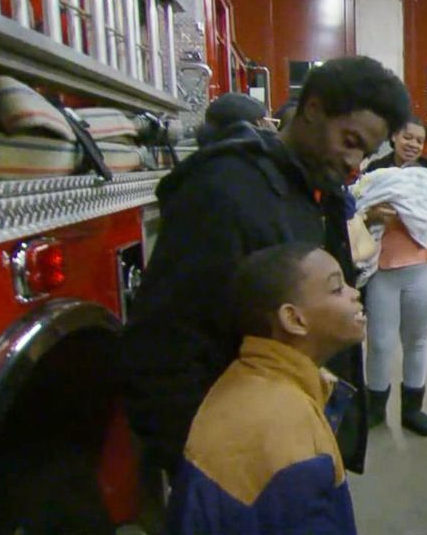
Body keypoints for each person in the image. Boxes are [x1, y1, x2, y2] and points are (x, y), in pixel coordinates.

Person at [120, 55, 411, 477]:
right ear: (313, 109)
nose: (354, 163)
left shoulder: (314, 190)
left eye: (364, 152)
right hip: (237, 453)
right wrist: (199, 468)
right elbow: (165, 343)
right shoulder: (226, 190)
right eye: (349, 140)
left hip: (286, 433)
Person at [167, 244, 365, 534]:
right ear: (294, 320)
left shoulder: (248, 380)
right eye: (336, 289)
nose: (355, 293)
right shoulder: (291, 439)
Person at [361, 117, 427, 436]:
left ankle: (412, 410)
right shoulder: (375, 171)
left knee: (417, 340)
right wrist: (372, 213)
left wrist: (416, 203)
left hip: (423, 270)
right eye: (407, 137)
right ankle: (375, 408)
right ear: (393, 137)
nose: (413, 145)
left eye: (419, 140)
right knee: (379, 342)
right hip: (382, 271)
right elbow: (356, 206)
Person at [195, 92, 274, 146]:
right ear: (259, 124)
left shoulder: (194, 166)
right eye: (274, 122)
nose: (274, 127)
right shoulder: (263, 166)